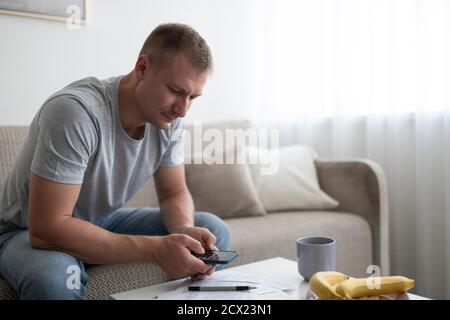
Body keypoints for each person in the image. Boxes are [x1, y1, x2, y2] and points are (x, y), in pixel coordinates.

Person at [0, 23, 230, 300]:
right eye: (175, 91)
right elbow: (47, 229)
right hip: (23, 231)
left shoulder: (169, 120)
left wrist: (182, 230)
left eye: (193, 97)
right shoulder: (76, 112)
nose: (183, 110)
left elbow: (174, 192)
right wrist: (157, 248)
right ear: (142, 68)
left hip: (97, 221)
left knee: (210, 233)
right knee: (53, 278)